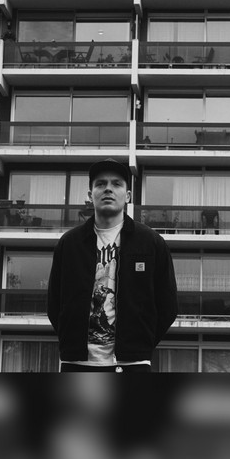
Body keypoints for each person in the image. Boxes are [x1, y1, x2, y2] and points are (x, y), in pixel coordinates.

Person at [48, 158, 178, 372]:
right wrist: (70, 341)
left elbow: (168, 305)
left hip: (133, 364)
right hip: (77, 363)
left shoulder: (151, 243)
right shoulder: (69, 244)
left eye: (116, 184)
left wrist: (139, 346)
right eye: (100, 184)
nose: (108, 189)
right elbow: (54, 303)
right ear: (90, 195)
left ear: (128, 196)